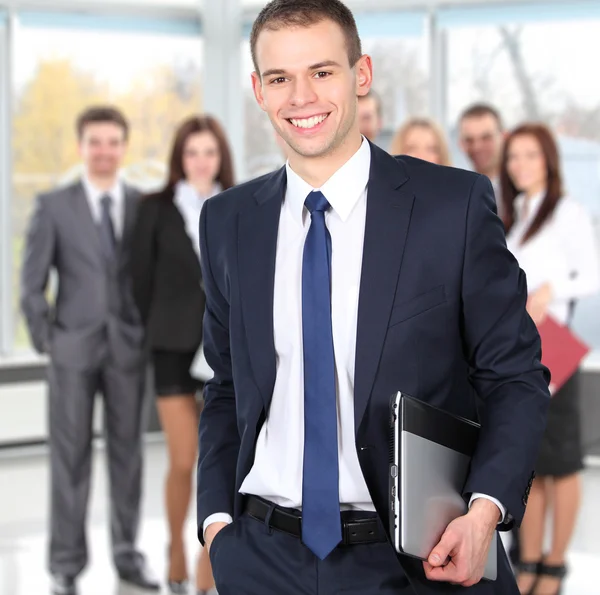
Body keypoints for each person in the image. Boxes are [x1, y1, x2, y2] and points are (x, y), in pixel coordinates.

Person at [197, 1, 550, 594]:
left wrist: (484, 513)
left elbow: (513, 375)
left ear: (361, 74)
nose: (301, 97)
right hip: (261, 557)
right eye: (280, 78)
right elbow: (226, 384)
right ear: (258, 90)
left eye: (322, 72)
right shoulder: (229, 221)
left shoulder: (452, 207)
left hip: (418, 558)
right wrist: (216, 524)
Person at [20, 106, 159, 595]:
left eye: (113, 142)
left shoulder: (144, 205)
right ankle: (66, 562)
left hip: (127, 350)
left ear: (124, 148)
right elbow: (31, 283)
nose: (104, 151)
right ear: (81, 147)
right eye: (95, 142)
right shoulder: (53, 206)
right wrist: (49, 342)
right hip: (72, 352)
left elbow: (153, 278)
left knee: (129, 457)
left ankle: (127, 554)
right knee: (69, 458)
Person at [130, 115, 234, 595]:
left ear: (221, 158)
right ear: (179, 157)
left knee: (223, 457)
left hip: (224, 349)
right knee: (183, 457)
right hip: (172, 348)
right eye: (192, 152)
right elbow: (139, 281)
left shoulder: (238, 206)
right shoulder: (155, 208)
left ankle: (208, 558)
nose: (201, 161)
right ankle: (173, 546)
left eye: (209, 152)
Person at [500, 123, 600, 595]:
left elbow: (593, 271)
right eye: (513, 156)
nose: (521, 165)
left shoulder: (566, 211)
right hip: (525, 353)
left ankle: (555, 567)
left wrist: (550, 289)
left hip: (555, 351)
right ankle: (532, 558)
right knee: (533, 464)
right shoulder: (519, 213)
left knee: (561, 464)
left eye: (531, 155)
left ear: (549, 161)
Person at [459, 103, 505, 203]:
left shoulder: (522, 193)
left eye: (486, 138)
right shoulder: (458, 194)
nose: (477, 147)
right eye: (469, 140)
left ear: (504, 137)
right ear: (461, 144)